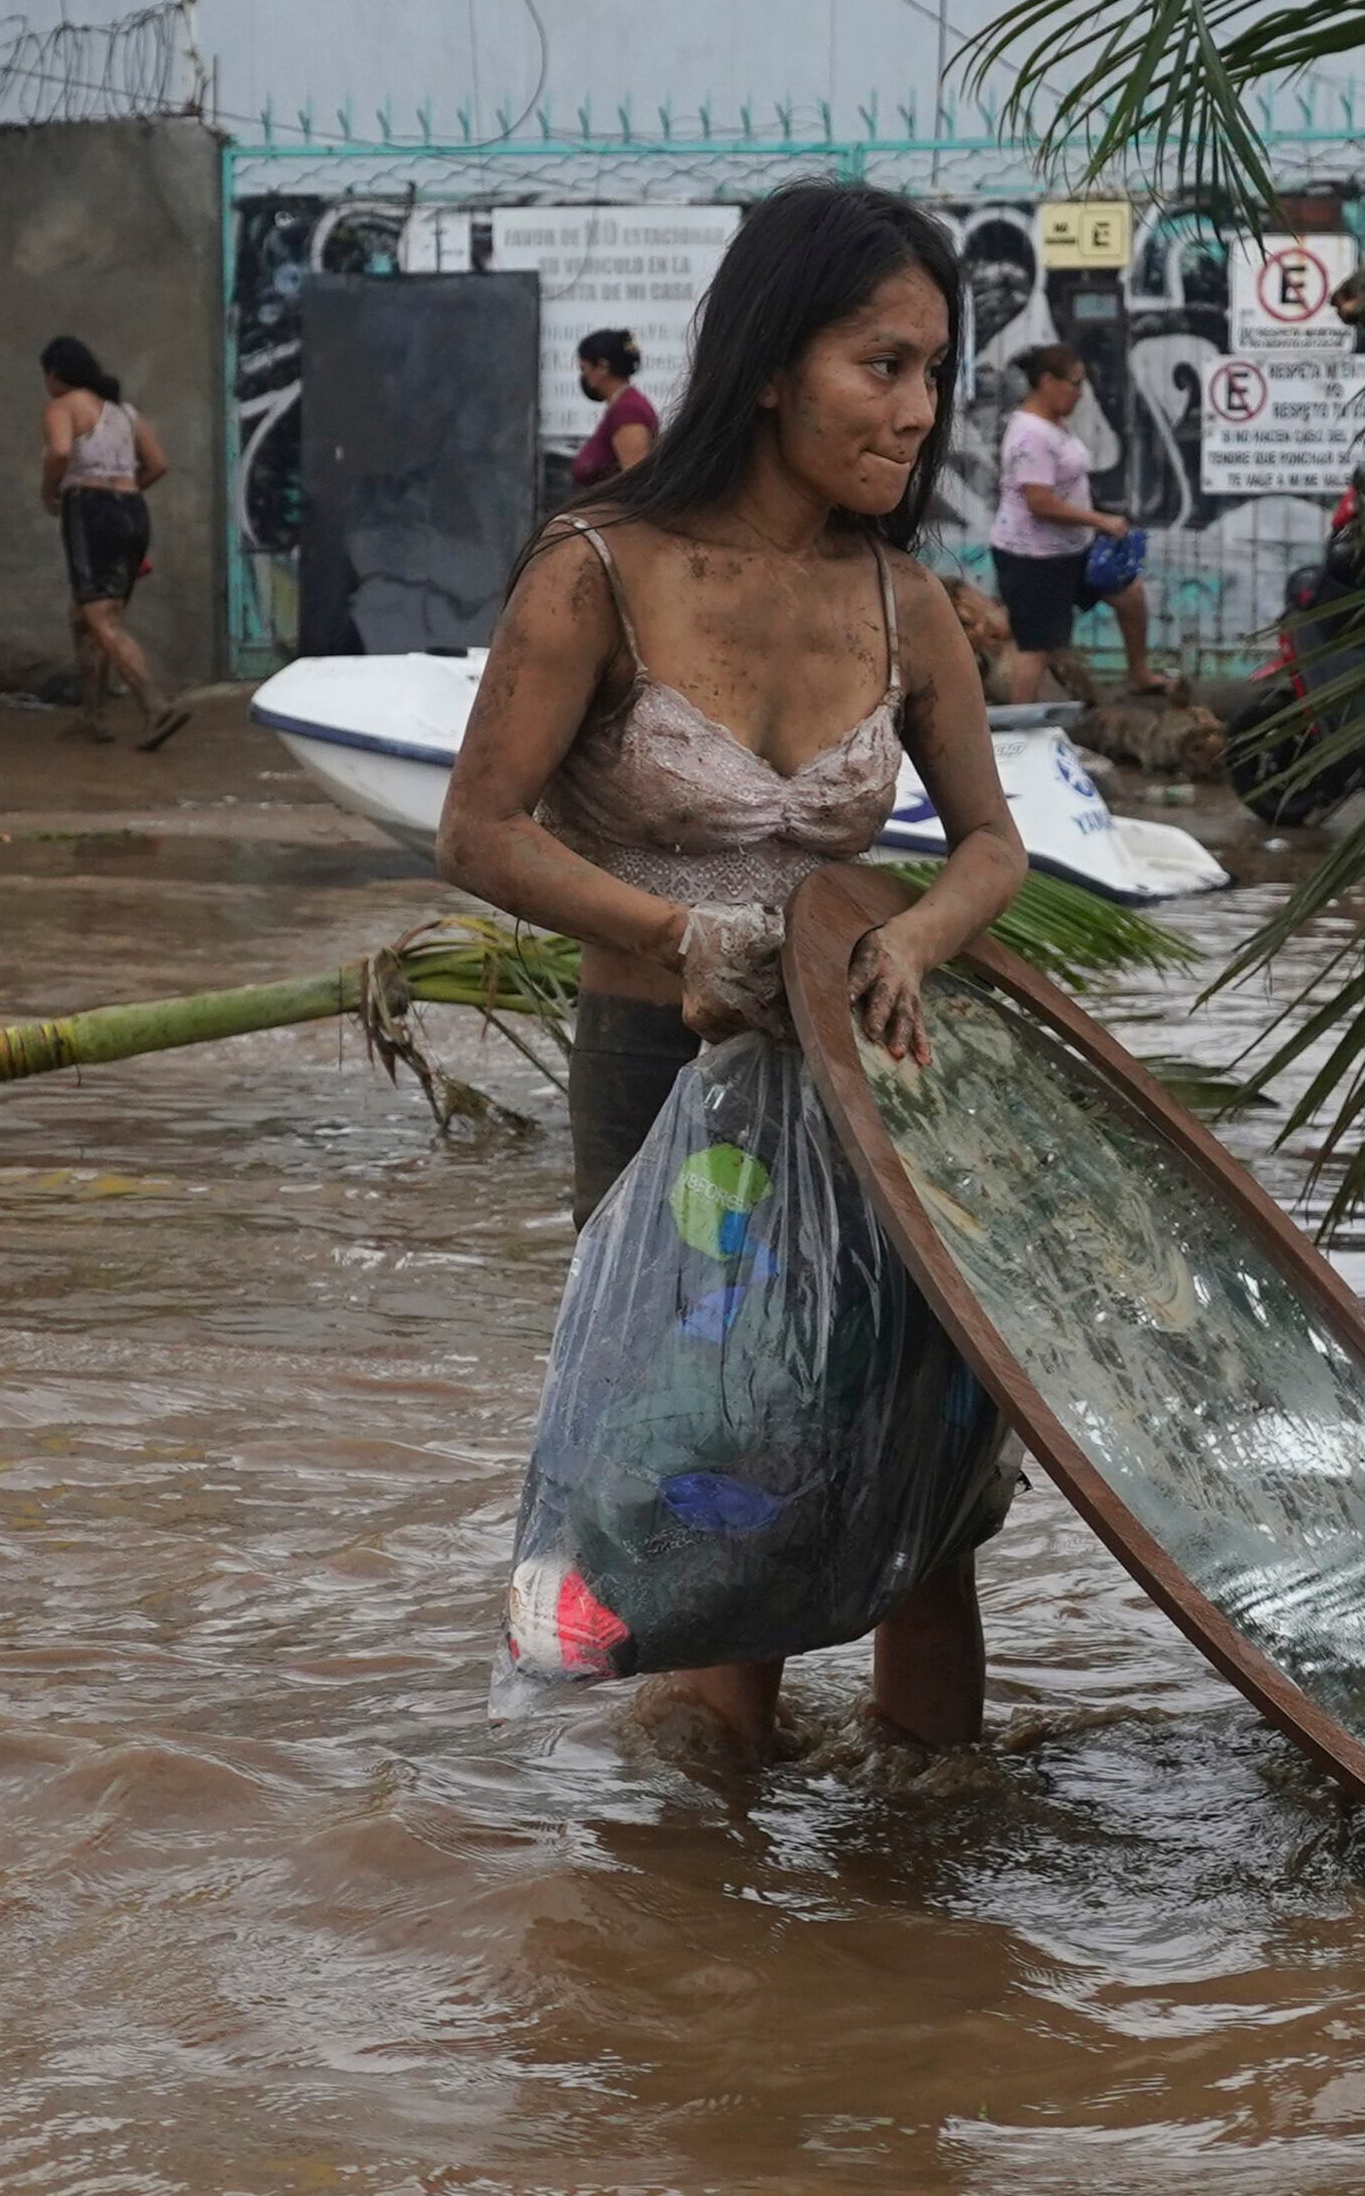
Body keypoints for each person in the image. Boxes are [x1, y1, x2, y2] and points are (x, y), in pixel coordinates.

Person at [439, 179, 1030, 1758]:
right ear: (771, 363)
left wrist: (907, 935)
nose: (914, 410)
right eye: (879, 365)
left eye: (930, 372)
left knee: (924, 1510)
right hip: (665, 1095)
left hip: (882, 1102)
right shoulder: (598, 571)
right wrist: (673, 934)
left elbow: (991, 847)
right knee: (711, 1500)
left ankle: (917, 1896)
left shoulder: (906, 604)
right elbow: (481, 832)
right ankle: (705, 1939)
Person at [37, 334, 187, 752]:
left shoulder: (62, 407)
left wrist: (49, 492)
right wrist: (125, 491)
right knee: (86, 616)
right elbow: (158, 464)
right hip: (133, 511)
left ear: (54, 374)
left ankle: (154, 705)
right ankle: (92, 715)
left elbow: (61, 452)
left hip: (90, 510)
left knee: (102, 620)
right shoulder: (124, 411)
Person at [989, 343, 1153, 701]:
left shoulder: (1054, 425)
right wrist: (1101, 521)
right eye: (1075, 384)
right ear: (1048, 381)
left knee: (1131, 595)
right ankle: (1020, 726)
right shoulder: (1030, 434)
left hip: (1074, 548)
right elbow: (1040, 502)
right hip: (1034, 556)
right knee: (1036, 644)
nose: (1080, 394)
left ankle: (1140, 675)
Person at [566, 327, 658, 489]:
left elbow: (635, 481)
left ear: (602, 368)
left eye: (584, 369)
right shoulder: (622, 407)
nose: (583, 377)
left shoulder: (628, 412)